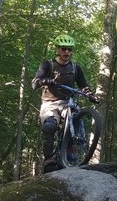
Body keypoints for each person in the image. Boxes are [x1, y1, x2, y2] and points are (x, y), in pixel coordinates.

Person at [32, 33, 93, 167]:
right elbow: (34, 83)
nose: (67, 52)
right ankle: (48, 158)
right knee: (49, 126)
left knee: (76, 119)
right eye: (64, 48)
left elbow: (84, 86)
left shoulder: (75, 68)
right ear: (57, 49)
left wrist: (90, 95)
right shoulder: (48, 64)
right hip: (50, 103)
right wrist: (44, 80)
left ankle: (71, 152)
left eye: (69, 49)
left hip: (67, 103)